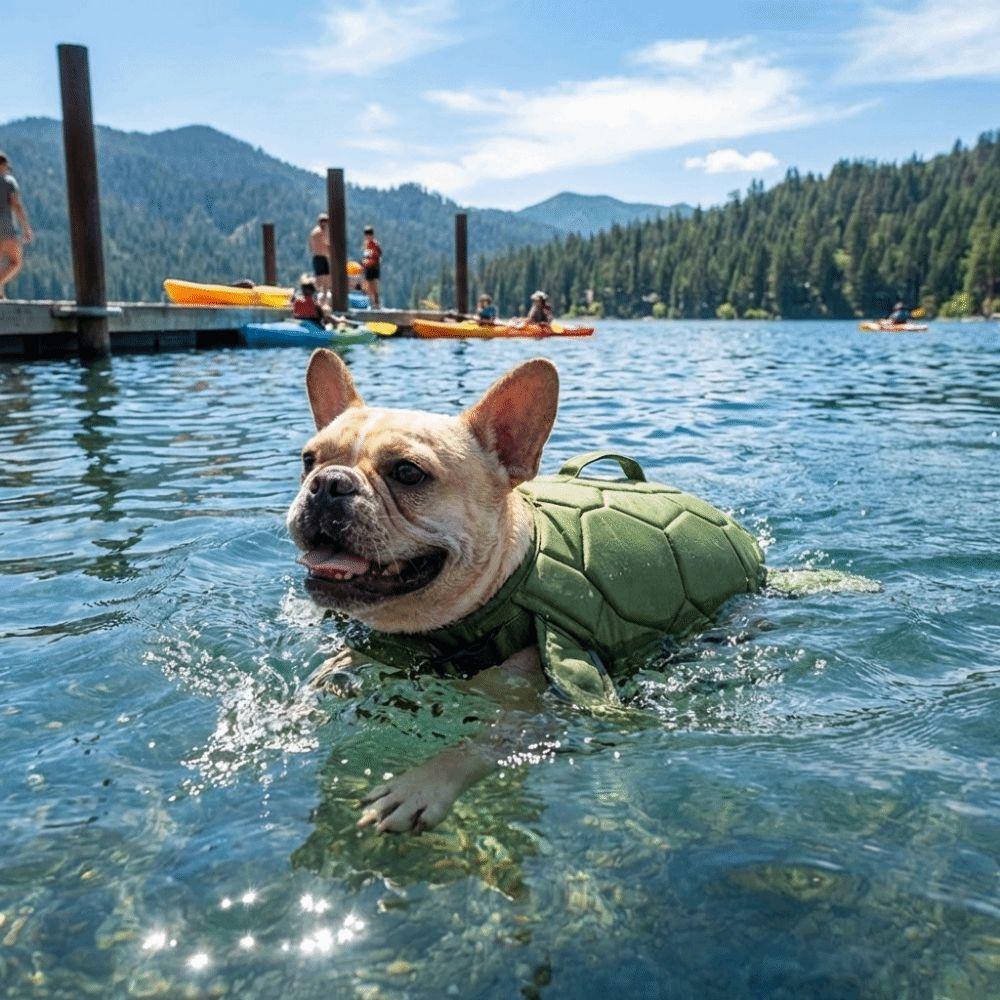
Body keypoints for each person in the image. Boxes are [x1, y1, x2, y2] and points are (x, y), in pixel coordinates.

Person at [0, 152, 32, 301]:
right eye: (7, 167)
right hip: (5, 228)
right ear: (3, 165)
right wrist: (26, 228)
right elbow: (16, 205)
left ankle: (0, 295)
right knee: (15, 262)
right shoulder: (8, 181)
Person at [308, 214, 331, 302]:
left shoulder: (315, 232)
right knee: (320, 280)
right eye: (324, 221)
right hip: (319, 257)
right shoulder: (320, 232)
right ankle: (310, 291)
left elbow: (311, 246)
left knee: (326, 279)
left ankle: (323, 300)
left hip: (321, 257)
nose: (326, 224)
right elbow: (327, 244)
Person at [361, 225, 382, 308]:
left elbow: (378, 255)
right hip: (368, 266)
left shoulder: (375, 244)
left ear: (372, 235)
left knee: (373, 285)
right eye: (367, 235)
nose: (368, 236)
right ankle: (372, 303)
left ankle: (376, 303)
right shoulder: (366, 244)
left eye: (370, 235)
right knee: (369, 285)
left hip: (373, 266)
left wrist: (370, 258)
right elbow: (365, 255)